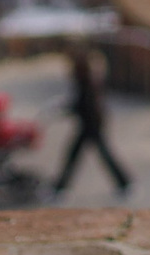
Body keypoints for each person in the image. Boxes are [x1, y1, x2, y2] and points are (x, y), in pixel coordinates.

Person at [50, 44, 130, 197]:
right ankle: (60, 187)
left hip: (91, 124)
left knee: (92, 155)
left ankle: (60, 188)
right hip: (90, 123)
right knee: (79, 155)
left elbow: (83, 104)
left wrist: (65, 109)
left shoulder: (85, 80)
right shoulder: (87, 79)